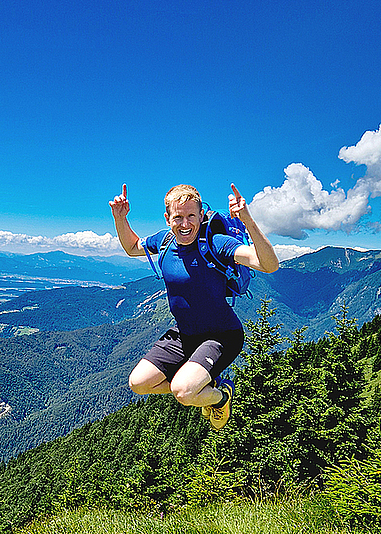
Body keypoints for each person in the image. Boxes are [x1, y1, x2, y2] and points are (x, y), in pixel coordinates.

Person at [109, 182, 279, 429]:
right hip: (184, 334)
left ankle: (220, 396)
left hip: (222, 335)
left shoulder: (217, 244)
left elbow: (268, 264)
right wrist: (120, 218)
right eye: (178, 217)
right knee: (139, 383)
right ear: (168, 218)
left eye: (191, 216)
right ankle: (202, 385)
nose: (185, 224)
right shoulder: (165, 241)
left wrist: (248, 222)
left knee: (183, 392)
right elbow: (133, 247)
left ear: (201, 215)